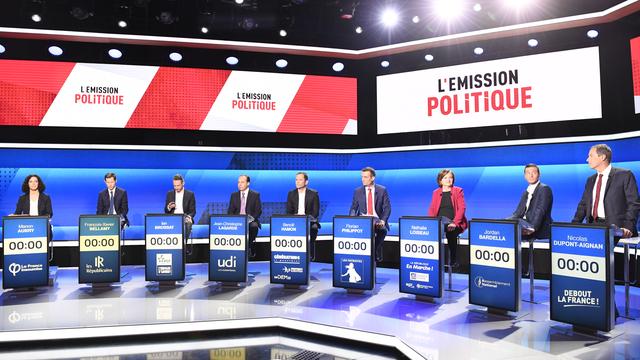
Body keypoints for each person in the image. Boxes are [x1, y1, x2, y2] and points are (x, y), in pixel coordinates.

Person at [572, 144, 640, 239]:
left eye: (590, 156)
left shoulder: (624, 175)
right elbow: (583, 205)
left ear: (602, 157)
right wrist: (574, 225)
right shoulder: (590, 180)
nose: (587, 160)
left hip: (617, 230)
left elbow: (634, 204)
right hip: (593, 228)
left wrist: (626, 228)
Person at [349, 167, 391, 262]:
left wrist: (383, 220)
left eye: (366, 177)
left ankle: (373, 250)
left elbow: (387, 208)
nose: (363, 179)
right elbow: (353, 208)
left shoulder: (382, 190)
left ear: (372, 178)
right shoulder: (357, 191)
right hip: (363, 219)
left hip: (376, 219)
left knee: (383, 231)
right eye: (362, 177)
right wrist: (351, 220)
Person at [428, 169, 468, 268]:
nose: (448, 180)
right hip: (440, 221)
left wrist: (455, 222)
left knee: (451, 232)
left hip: (454, 222)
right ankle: (434, 259)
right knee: (432, 232)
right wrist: (430, 223)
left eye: (450, 177)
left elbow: (462, 208)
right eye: (445, 178)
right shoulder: (436, 192)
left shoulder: (458, 191)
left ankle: (453, 260)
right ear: (440, 180)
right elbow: (432, 209)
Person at [509, 164, 553, 240]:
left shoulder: (544, 189)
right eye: (528, 173)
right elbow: (518, 213)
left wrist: (532, 228)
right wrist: (504, 222)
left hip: (537, 230)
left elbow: (540, 211)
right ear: (525, 176)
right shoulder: (526, 192)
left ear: (539, 175)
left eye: (533, 173)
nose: (531, 175)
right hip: (525, 227)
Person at [286, 172, 321, 260]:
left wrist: (306, 218)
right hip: (295, 220)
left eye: (300, 180)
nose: (297, 182)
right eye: (296, 180)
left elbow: (315, 212)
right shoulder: (291, 193)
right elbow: (289, 211)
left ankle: (310, 254)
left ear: (306, 182)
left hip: (309, 220)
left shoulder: (313, 194)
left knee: (313, 227)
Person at [227, 175, 262, 257]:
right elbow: (230, 211)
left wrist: (250, 219)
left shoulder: (255, 195)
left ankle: (249, 246)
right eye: (238, 182)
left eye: (242, 182)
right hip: (237, 221)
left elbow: (258, 211)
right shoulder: (234, 195)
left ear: (248, 183)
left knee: (254, 226)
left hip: (250, 220)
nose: (240, 184)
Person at [165, 174, 196, 240]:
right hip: (173, 218)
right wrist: (169, 207)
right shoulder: (169, 194)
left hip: (185, 217)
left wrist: (189, 217)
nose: (176, 188)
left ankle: (183, 244)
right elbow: (166, 211)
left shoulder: (190, 194)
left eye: (178, 185)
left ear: (183, 183)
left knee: (188, 223)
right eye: (174, 186)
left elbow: (193, 211)